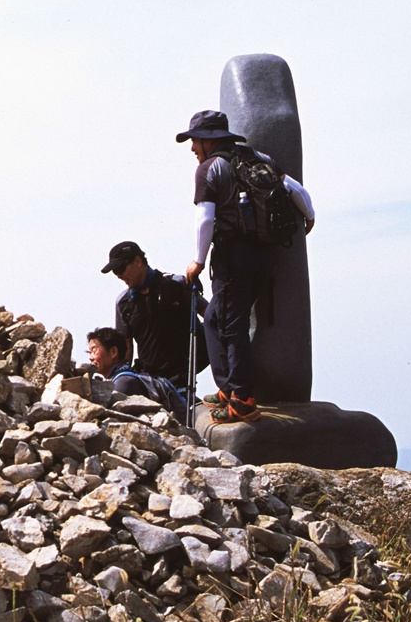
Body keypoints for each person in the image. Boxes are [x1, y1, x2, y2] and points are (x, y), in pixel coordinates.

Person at [177, 110, 315, 424]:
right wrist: (308, 215)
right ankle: (227, 388)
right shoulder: (257, 158)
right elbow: (297, 191)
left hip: (233, 255)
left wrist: (198, 260)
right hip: (266, 256)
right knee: (214, 318)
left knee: (229, 324)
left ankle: (242, 400)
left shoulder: (210, 169)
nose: (192, 148)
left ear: (208, 140)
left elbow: (206, 219)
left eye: (194, 141)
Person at [101, 241, 206, 400]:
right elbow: (126, 347)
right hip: (149, 380)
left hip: (183, 374)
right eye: (115, 272)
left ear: (137, 261)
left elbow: (210, 315)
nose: (118, 275)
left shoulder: (176, 284)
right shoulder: (123, 303)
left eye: (121, 268)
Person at [86, 326, 187, 417]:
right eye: (89, 353)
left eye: (94, 351)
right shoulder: (120, 378)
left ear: (113, 352)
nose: (90, 358)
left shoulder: (124, 382)